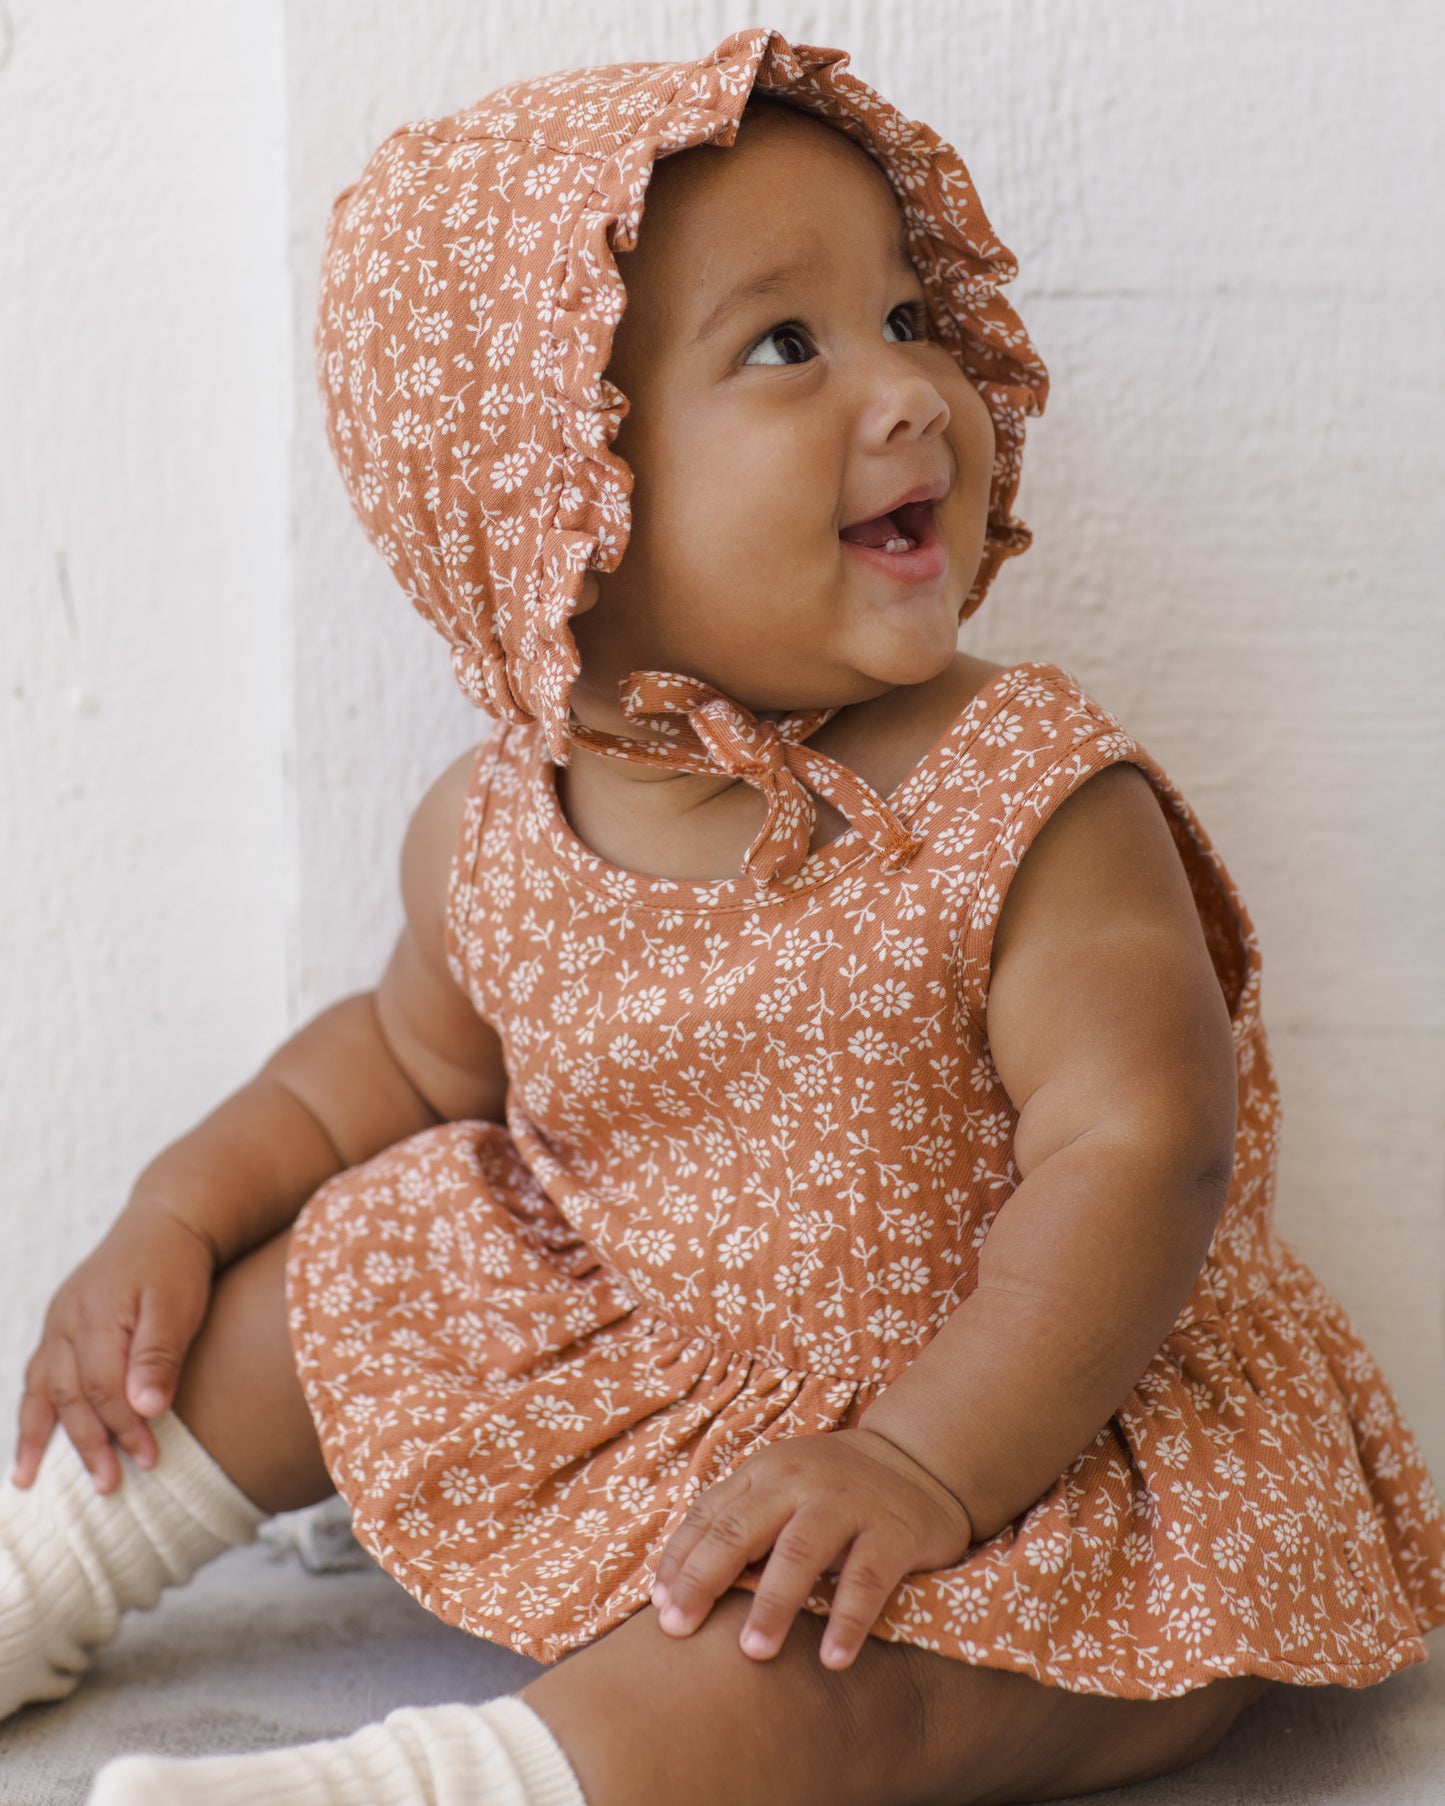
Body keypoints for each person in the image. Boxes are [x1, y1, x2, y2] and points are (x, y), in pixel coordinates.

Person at [4, 25, 1442, 1806]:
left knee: (838, 1671)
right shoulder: (498, 826)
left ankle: (451, 1781)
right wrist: (174, 1210)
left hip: (1020, 1449)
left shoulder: (1025, 793)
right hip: (654, 1378)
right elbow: (385, 1065)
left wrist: (919, 1467)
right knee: (353, 1259)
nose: (908, 390)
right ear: (558, 509)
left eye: (912, 319)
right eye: (787, 344)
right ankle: (49, 1566)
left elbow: (1142, 1151)